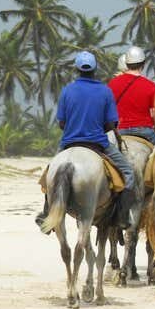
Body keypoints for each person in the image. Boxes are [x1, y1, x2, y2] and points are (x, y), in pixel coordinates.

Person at [35, 51, 136, 231]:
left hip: (69, 142)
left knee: (49, 174)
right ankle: (122, 216)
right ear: (95, 69)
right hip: (98, 143)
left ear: (77, 69)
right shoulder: (105, 91)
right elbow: (111, 124)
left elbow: (61, 123)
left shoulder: (67, 90)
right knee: (128, 172)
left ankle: (47, 212)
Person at [108, 46, 155, 144]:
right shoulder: (150, 85)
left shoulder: (112, 84)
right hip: (145, 131)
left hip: (120, 131)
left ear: (126, 63)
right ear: (143, 64)